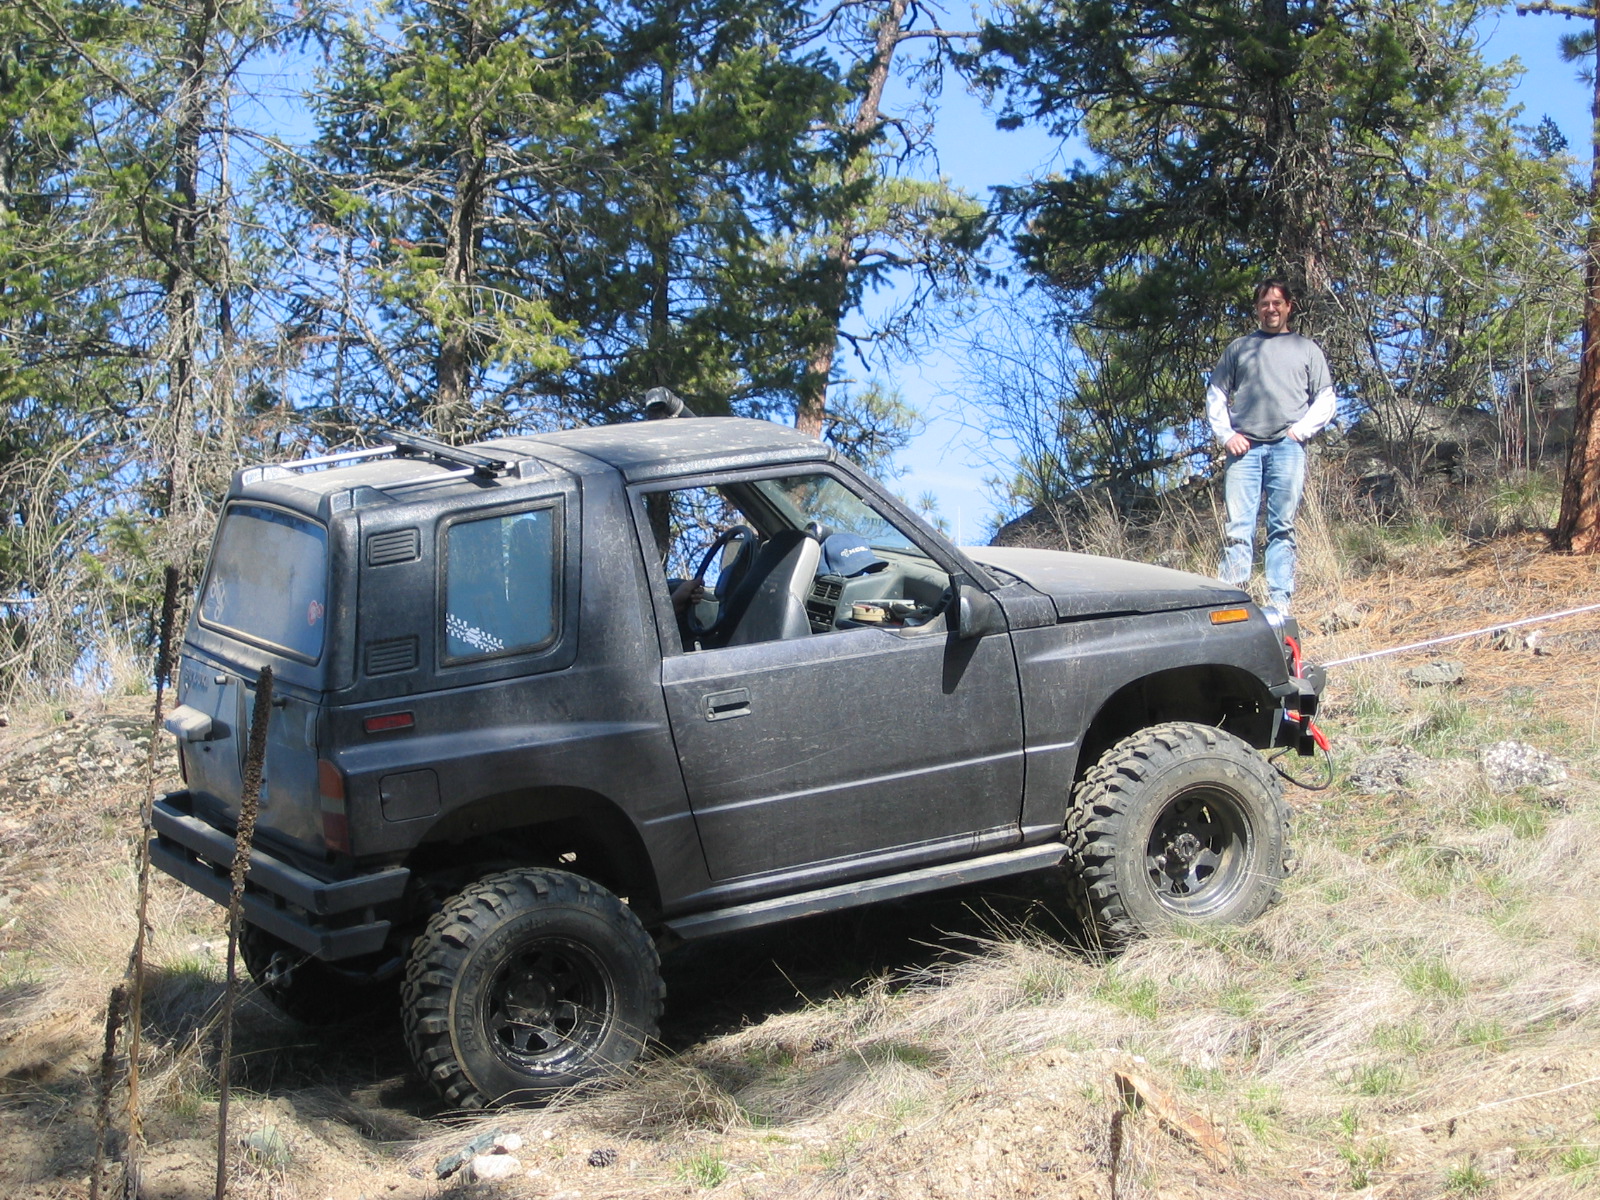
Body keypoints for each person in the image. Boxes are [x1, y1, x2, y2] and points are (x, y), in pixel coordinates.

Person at [1207, 278, 1336, 612]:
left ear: (1288, 307)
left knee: (1282, 528)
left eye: (1278, 303)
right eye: (1265, 303)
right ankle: (1231, 602)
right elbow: (1216, 395)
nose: (1271, 309)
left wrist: (1300, 432)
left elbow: (1325, 398)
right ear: (1257, 309)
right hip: (1245, 450)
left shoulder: (1306, 348)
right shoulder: (1239, 348)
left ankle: (1280, 604)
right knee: (1238, 529)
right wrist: (1227, 435)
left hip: (1287, 449)